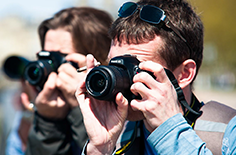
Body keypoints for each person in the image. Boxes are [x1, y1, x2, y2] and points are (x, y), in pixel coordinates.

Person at [76, 0, 236, 155]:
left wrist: (169, 132)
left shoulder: (227, 133)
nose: (121, 80)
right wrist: (99, 149)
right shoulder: (118, 134)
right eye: (115, 66)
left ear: (184, 74)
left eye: (135, 68)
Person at [20, 7, 113, 155]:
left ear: (95, 62)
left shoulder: (124, 115)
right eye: (46, 58)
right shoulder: (48, 107)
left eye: (60, 59)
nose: (50, 68)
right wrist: (47, 120)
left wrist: (83, 106)